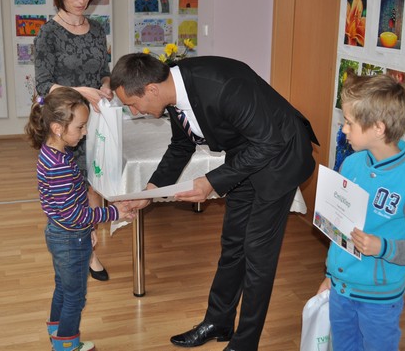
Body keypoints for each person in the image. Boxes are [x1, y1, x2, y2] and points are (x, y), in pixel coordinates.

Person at [110, 53, 319, 351]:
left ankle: (245, 343)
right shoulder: (173, 92)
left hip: (280, 155)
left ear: (151, 89)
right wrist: (150, 191)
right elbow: (181, 145)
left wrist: (211, 181)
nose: (133, 112)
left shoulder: (223, 86)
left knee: (257, 253)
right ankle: (218, 321)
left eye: (132, 104)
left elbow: (269, 142)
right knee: (233, 243)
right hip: (246, 154)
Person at [316, 73, 405, 351]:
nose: (344, 130)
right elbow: (339, 227)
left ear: (378, 128)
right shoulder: (351, 164)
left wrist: (382, 247)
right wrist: (330, 275)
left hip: (379, 301)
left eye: (350, 122)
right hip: (341, 290)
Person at [25, 87, 135, 351]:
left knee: (63, 287)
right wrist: (114, 212)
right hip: (69, 238)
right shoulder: (60, 166)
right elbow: (75, 214)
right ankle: (66, 345)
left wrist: (88, 229)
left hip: (62, 232)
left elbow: (71, 207)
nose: (85, 132)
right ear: (58, 128)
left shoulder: (52, 152)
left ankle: (56, 331)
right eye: (80, 127)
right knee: (75, 297)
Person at [34, 0, 112, 282]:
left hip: (96, 121)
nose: (81, 0)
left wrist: (106, 86)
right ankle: (82, 251)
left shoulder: (98, 30)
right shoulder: (48, 33)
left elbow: (104, 71)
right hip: (66, 123)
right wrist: (80, 91)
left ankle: (89, 247)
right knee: (71, 191)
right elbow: (43, 85)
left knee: (95, 185)